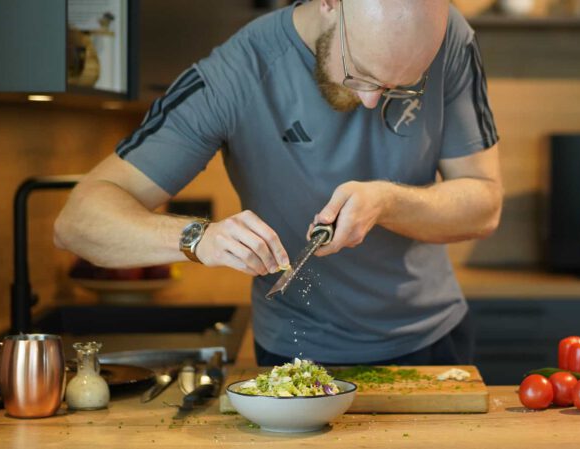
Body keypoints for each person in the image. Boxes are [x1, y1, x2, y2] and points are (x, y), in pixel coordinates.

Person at [54, 0, 502, 366]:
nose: (371, 101)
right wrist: (198, 238)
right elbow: (78, 221)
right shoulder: (235, 74)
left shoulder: (451, 38)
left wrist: (386, 202)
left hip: (436, 340)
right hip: (298, 351)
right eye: (361, 72)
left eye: (398, 87)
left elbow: (484, 203)